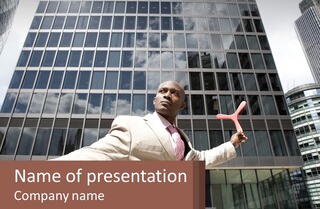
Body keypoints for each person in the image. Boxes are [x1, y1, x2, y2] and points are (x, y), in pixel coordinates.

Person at [53, 81, 247, 168]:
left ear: (182, 105)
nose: (167, 95)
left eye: (174, 93)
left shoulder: (182, 139)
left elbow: (203, 158)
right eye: (162, 91)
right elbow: (95, 155)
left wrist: (233, 143)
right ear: (155, 99)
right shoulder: (130, 125)